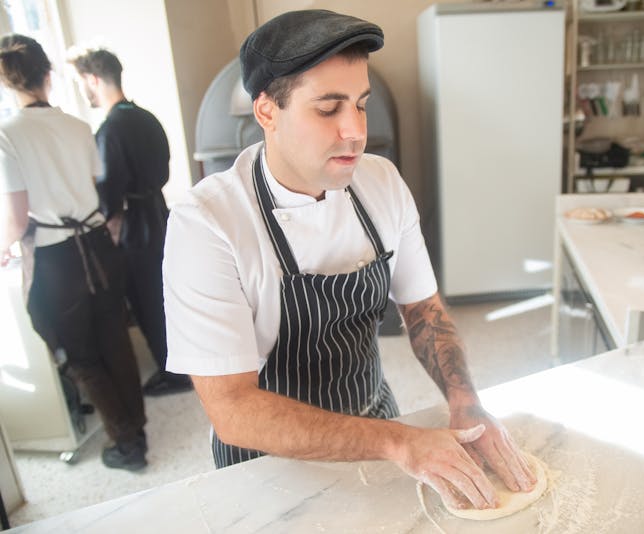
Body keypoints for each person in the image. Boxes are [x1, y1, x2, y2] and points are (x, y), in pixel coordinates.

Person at [163, 10, 535, 511]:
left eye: (360, 105)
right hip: (265, 464)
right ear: (267, 111)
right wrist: (399, 441)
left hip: (376, 420)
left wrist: (465, 400)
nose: (355, 131)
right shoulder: (207, 223)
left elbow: (424, 311)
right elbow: (233, 409)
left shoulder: (381, 183)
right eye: (328, 109)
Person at [0, 34, 147, 470]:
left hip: (57, 259)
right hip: (99, 245)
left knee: (79, 354)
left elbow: (18, 219)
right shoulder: (80, 126)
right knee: (115, 341)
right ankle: (134, 427)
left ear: (8, 83)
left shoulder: (7, 134)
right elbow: (97, 186)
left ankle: (127, 444)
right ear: (48, 75)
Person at [67, 48, 191, 396]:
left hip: (135, 226)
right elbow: (164, 170)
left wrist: (108, 221)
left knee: (147, 300)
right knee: (165, 295)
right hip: (160, 214)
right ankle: (181, 363)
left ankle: (176, 373)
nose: (83, 91)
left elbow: (109, 190)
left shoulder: (110, 130)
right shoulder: (146, 117)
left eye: (81, 83)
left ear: (93, 79)